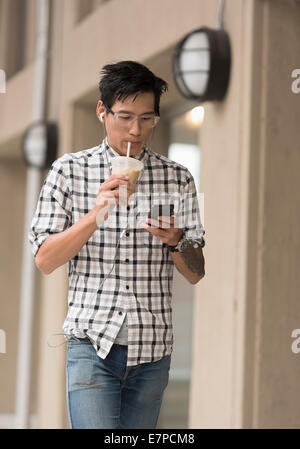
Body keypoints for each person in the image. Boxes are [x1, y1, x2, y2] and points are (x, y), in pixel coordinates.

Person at [28, 60, 205, 429]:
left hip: (153, 347)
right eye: (124, 116)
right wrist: (95, 215)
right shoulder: (69, 170)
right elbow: (44, 259)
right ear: (102, 111)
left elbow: (196, 272)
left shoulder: (178, 177)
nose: (136, 130)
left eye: (147, 118)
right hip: (91, 343)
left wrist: (177, 242)